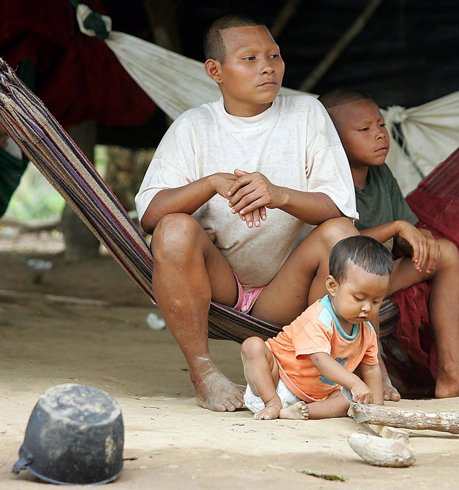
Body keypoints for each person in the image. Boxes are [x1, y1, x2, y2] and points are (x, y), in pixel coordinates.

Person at [134, 16, 360, 412]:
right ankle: (204, 373)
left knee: (340, 232)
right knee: (173, 229)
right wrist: (211, 183)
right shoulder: (194, 127)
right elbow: (151, 215)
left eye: (274, 55)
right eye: (250, 58)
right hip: (220, 284)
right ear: (215, 71)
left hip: (286, 289)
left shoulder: (306, 113)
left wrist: (278, 195)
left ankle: (329, 369)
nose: (268, 67)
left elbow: (341, 207)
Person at [319, 89, 459, 398]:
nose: (379, 135)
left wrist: (419, 241)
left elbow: (407, 229)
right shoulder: (326, 178)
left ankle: (452, 371)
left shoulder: (380, 174)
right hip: (335, 284)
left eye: (381, 125)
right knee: (365, 276)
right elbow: (339, 243)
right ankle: (374, 372)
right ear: (334, 140)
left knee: (445, 252)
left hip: (378, 275)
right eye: (364, 130)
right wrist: (397, 227)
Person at [241, 235, 390, 420]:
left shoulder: (366, 331)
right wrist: (355, 382)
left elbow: (371, 368)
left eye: (376, 301)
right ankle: (272, 403)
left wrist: (378, 408)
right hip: (278, 379)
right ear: (332, 286)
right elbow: (320, 360)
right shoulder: (319, 318)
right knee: (252, 346)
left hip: (317, 397)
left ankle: (299, 413)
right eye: (359, 299)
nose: (367, 308)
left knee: (348, 399)